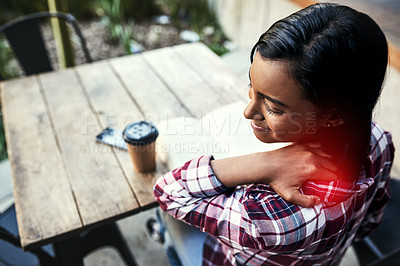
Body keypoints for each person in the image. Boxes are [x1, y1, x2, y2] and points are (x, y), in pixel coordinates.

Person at [153, 3, 395, 265]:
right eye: (251, 86)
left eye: (273, 108)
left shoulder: (277, 214)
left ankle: (165, 238)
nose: (248, 112)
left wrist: (268, 162)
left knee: (170, 217)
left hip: (225, 257)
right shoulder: (379, 140)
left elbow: (169, 190)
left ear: (334, 116)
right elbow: (369, 224)